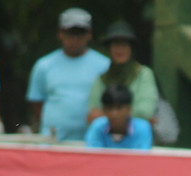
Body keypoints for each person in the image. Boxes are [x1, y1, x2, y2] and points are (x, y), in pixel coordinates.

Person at [26, 7, 109, 142]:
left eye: (80, 33)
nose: (75, 38)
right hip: (52, 142)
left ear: (89, 34)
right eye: (70, 33)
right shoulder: (44, 65)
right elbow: (37, 101)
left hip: (91, 142)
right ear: (60, 33)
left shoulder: (104, 65)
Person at [86, 21, 157, 125]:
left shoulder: (144, 74)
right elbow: (92, 116)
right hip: (106, 137)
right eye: (115, 45)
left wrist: (106, 115)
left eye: (124, 45)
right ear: (109, 49)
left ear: (131, 48)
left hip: (136, 136)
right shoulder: (101, 79)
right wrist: (128, 115)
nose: (120, 49)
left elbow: (144, 112)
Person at [84, 85, 152, 150]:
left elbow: (141, 159)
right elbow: (93, 157)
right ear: (104, 110)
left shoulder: (142, 128)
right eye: (109, 108)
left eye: (119, 108)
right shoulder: (97, 126)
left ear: (129, 109)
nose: (114, 113)